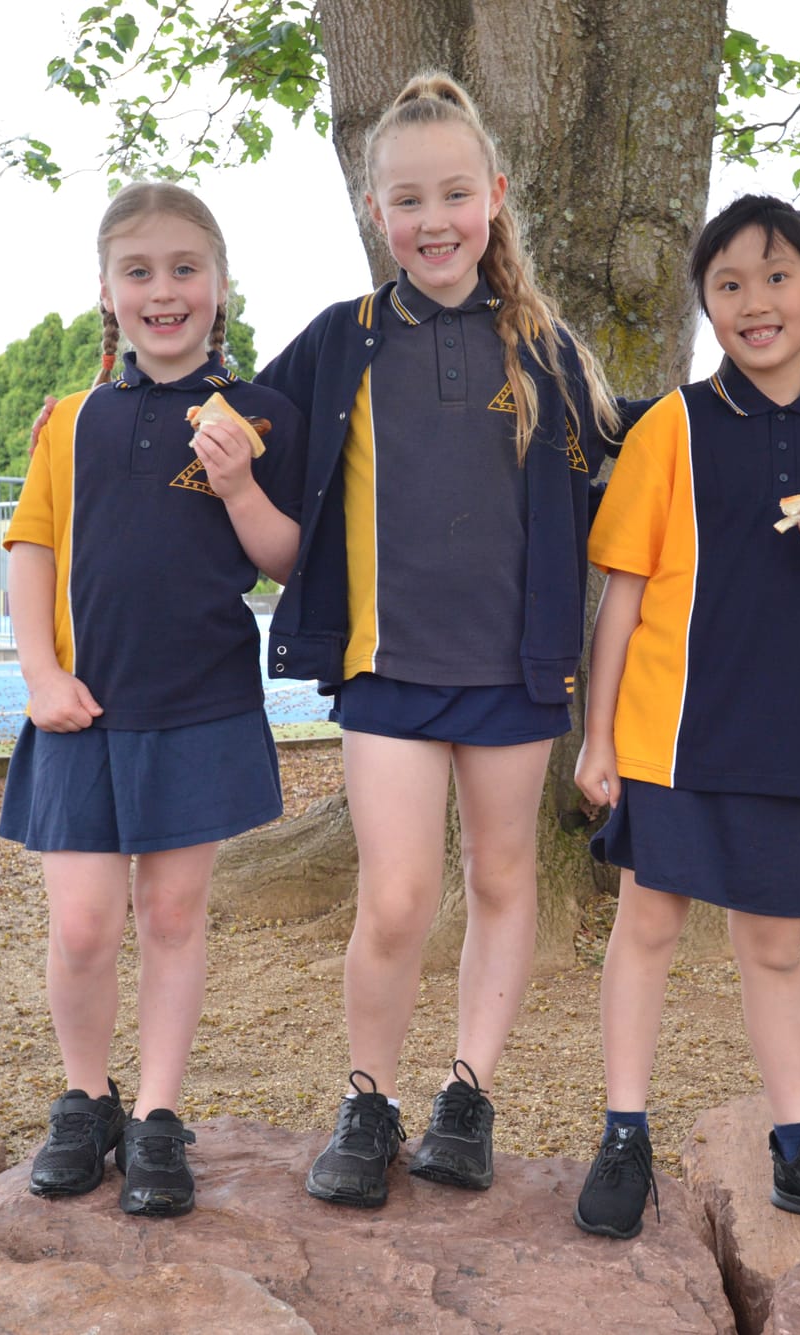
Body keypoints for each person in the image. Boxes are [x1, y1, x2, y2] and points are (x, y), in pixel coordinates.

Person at [255, 71, 617, 1210]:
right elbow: (224, 428)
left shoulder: (550, 355)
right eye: (407, 201)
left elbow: (639, 484)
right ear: (376, 213)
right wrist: (110, 406)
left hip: (513, 674)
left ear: (494, 197)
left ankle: (468, 1093)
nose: (433, 221)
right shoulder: (338, 342)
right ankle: (368, 1101)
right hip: (388, 671)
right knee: (400, 898)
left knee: (504, 880)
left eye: (454, 195)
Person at [569, 195, 800, 1242]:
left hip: (784, 738)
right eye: (727, 285)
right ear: (706, 309)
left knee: (773, 948)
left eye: (776, 279)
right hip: (667, 732)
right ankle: (622, 1132)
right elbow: (619, 596)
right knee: (648, 926)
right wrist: (597, 741)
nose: (754, 302)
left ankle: (799, 1148)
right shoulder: (668, 426)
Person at [0, 181, 306, 1218]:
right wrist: (40, 674)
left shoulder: (259, 417)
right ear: (107, 292)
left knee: (172, 914)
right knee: (83, 925)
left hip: (201, 707)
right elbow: (30, 547)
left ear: (220, 288)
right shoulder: (72, 421)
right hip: (83, 710)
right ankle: (87, 1100)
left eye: (185, 269)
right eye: (140, 272)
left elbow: (284, 561)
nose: (162, 291)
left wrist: (237, 487)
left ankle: (162, 1117)